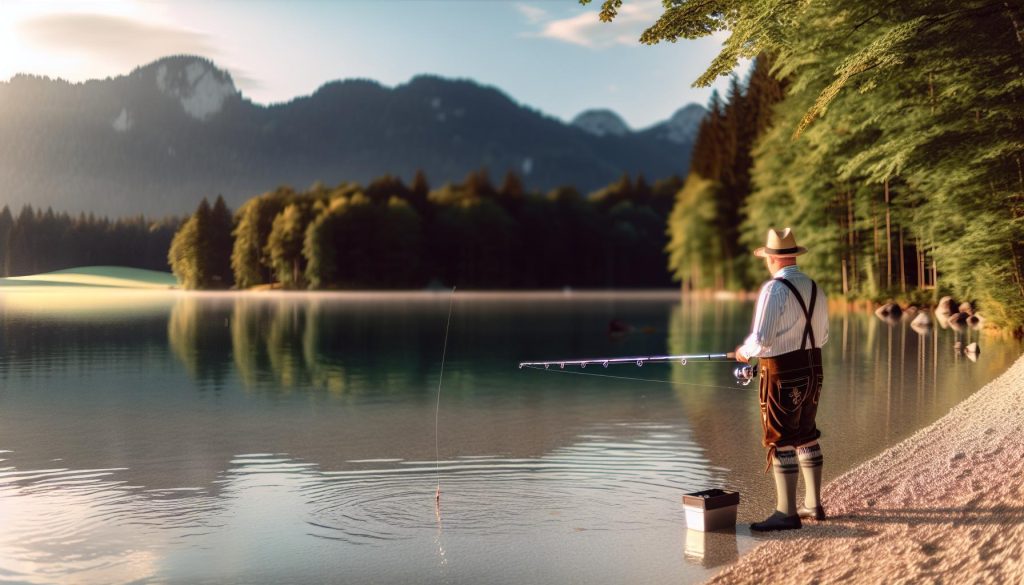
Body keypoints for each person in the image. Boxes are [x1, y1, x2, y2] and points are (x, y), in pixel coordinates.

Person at [735, 227, 829, 532]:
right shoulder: (814, 286)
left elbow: (761, 340)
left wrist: (743, 352)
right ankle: (814, 505)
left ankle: (786, 513)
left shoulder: (774, 290)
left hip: (782, 371)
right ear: (792, 255)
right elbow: (824, 335)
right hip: (815, 368)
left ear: (771, 258)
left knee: (781, 438)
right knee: (806, 432)